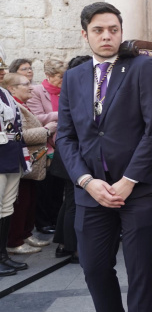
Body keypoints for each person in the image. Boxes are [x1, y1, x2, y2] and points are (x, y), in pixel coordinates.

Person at [55, 2, 152, 312]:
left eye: (113, 30)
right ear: (85, 35)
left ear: (121, 32)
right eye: (98, 30)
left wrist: (128, 180)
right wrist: (86, 181)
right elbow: (66, 136)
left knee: (141, 270)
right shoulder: (74, 76)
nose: (107, 36)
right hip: (92, 190)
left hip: (141, 188)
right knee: (93, 267)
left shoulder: (143, 68)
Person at [4, 73, 56, 255]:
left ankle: (25, 234)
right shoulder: (12, 106)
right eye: (26, 84)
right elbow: (19, 136)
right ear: (12, 88)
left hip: (31, 164)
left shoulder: (22, 104)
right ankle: (15, 240)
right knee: (20, 203)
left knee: (30, 201)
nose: (31, 87)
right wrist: (45, 131)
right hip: (19, 161)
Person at [51, 56, 90, 265]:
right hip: (72, 156)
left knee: (70, 202)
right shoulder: (77, 91)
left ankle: (63, 243)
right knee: (74, 203)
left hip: (68, 156)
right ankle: (73, 247)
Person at [27, 59, 66, 236]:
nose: (63, 79)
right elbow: (37, 117)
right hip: (45, 146)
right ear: (49, 75)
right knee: (45, 186)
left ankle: (56, 219)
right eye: (60, 76)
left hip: (63, 144)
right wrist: (63, 114)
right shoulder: (37, 91)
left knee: (58, 185)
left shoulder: (65, 90)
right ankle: (43, 222)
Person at [0, 74, 27, 276]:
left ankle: (2, 256)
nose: (1, 71)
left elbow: (14, 126)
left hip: (11, 154)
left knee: (7, 205)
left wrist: (21, 150)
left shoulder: (4, 93)